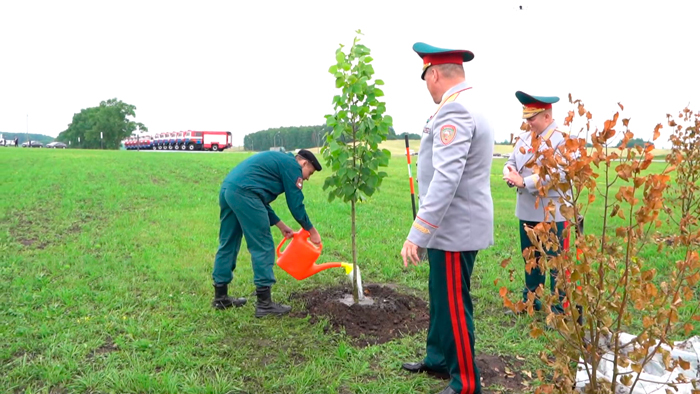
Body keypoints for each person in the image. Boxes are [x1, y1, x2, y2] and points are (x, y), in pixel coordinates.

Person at [401, 42, 494, 394]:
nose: (427, 85)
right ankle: (439, 359)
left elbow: (445, 179)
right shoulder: (461, 105)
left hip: (455, 228)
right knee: (440, 297)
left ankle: (466, 384)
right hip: (452, 226)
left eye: (426, 77)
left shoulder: (455, 112)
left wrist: (418, 232)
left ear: (435, 73)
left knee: (454, 305)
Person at [211, 149, 322, 318]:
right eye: (310, 173)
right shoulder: (292, 166)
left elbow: (257, 194)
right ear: (303, 163)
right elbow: (295, 204)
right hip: (244, 193)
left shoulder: (279, 161)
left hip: (229, 189)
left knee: (228, 242)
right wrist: (311, 230)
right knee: (262, 246)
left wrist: (279, 224)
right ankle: (264, 304)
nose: (307, 177)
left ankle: (220, 297)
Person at [502, 91, 571, 315]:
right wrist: (509, 172)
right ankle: (531, 301)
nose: (528, 122)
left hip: (553, 214)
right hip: (527, 211)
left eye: (532, 118)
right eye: (527, 118)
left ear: (547, 117)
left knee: (557, 264)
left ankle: (561, 309)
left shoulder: (563, 139)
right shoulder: (525, 137)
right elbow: (511, 161)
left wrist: (525, 181)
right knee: (531, 258)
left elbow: (560, 174)